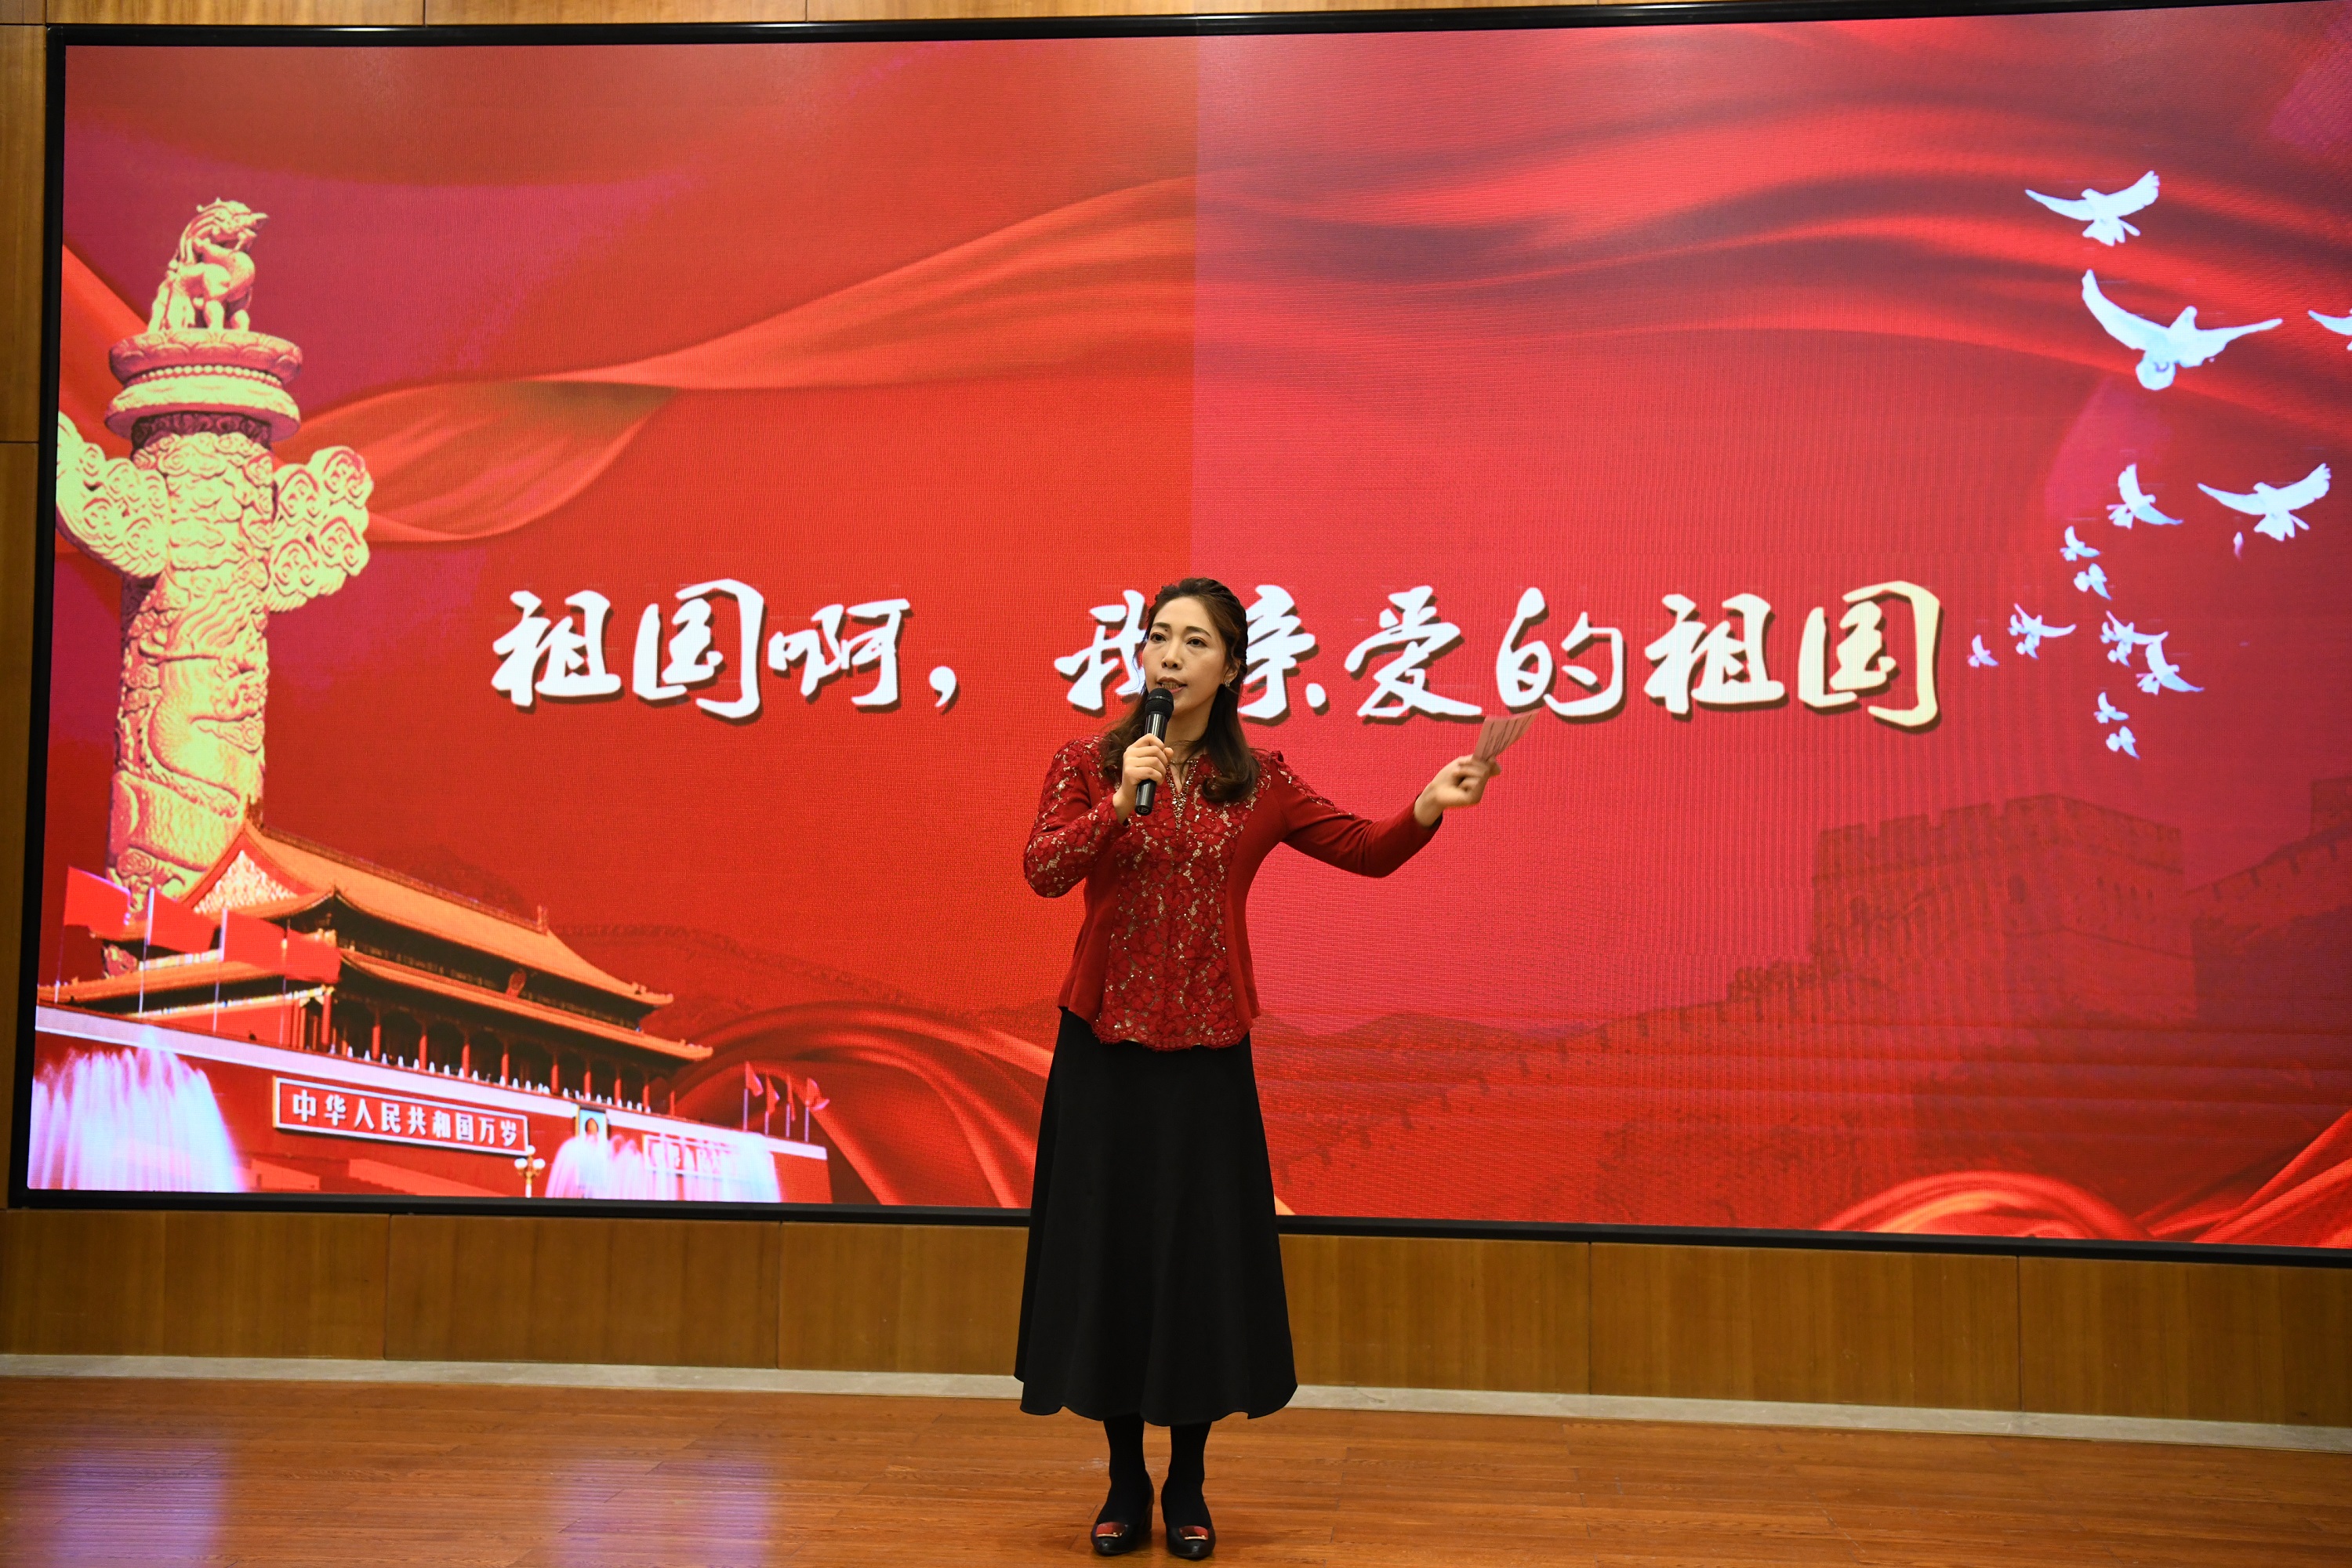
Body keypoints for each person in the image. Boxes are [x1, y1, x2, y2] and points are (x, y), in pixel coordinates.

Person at [1017, 577, 1498, 1559]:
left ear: (1231, 667)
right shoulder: (1091, 762)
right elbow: (1043, 868)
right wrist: (1116, 804)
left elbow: (1364, 848)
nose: (1170, 655)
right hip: (1102, 1049)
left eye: (1195, 641)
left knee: (1195, 1266)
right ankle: (1123, 1478)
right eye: (1159, 636)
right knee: (1112, 1259)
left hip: (1206, 1057)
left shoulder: (1258, 780)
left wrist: (1427, 804)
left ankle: (1188, 1479)